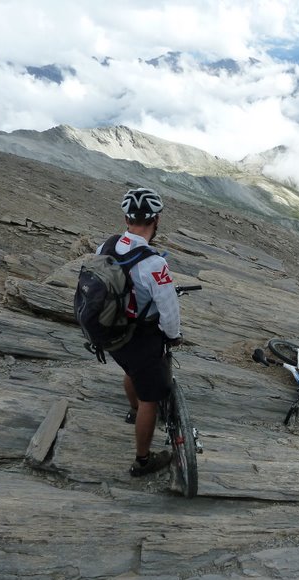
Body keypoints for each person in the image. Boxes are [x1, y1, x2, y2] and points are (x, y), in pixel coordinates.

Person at [99, 187, 182, 477]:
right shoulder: (154, 263)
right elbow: (169, 310)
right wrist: (173, 336)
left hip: (110, 333)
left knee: (131, 371)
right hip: (139, 337)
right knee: (151, 397)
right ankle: (144, 461)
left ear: (126, 218)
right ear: (156, 220)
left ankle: (133, 411)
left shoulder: (106, 245)